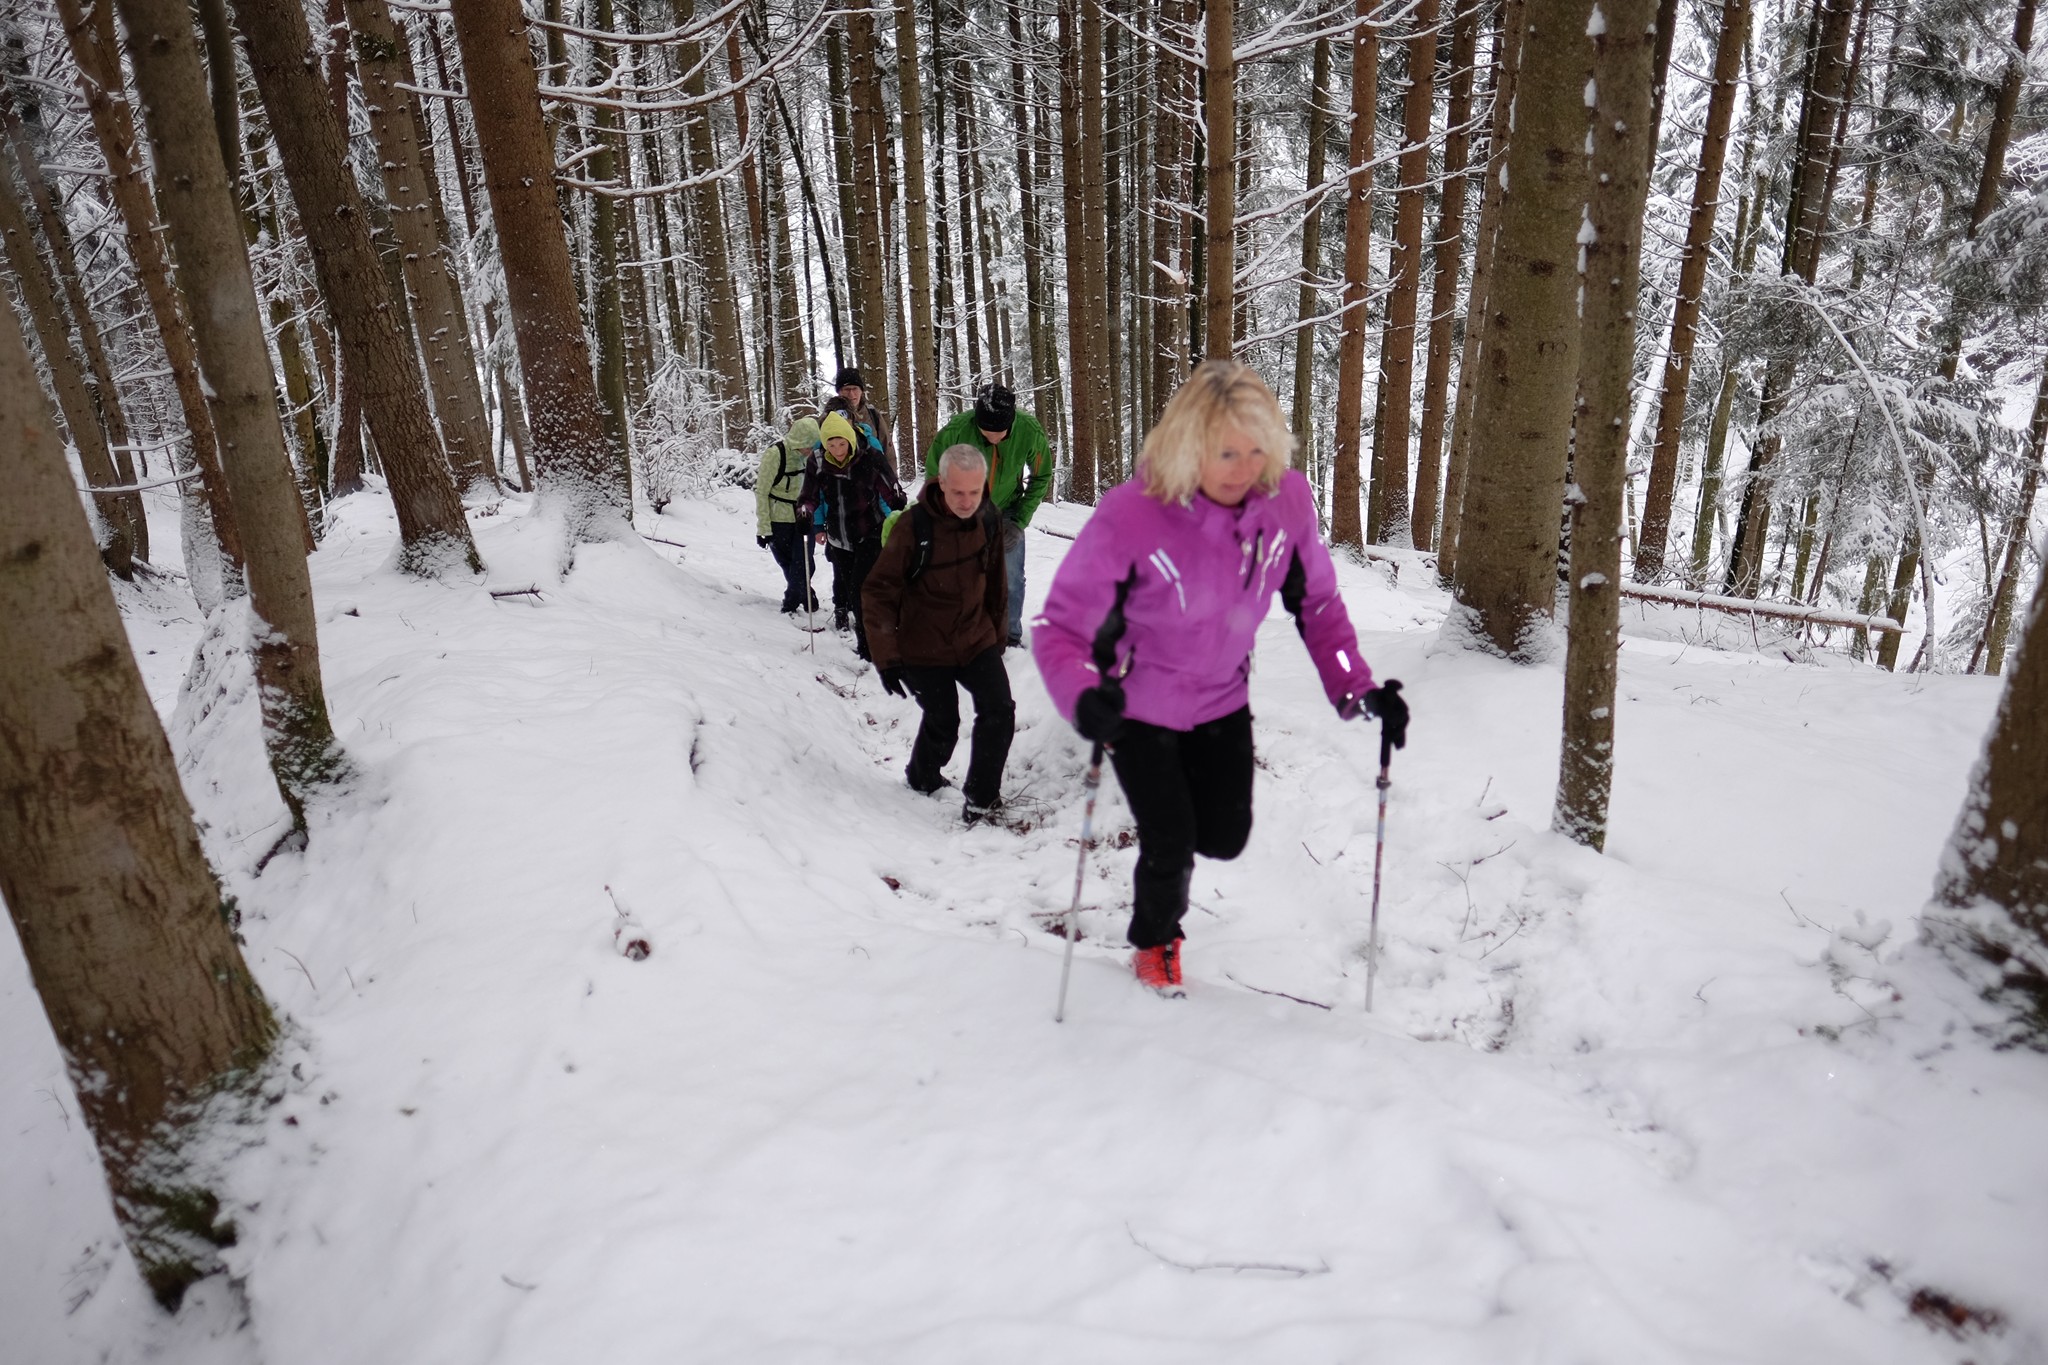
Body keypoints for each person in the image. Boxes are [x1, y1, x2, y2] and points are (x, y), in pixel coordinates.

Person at [1031, 360, 1409, 997]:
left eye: (1257, 451)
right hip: (1135, 705)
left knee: (1226, 838)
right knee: (1170, 838)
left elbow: (1317, 604)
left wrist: (1359, 688)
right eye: (1226, 453)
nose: (1244, 469)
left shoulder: (1286, 503)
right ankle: (1156, 939)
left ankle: (1172, 883)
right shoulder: (1133, 515)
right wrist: (1083, 694)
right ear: (1188, 445)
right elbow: (1060, 626)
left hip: (1222, 697)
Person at [863, 445, 1015, 824]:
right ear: (942, 483)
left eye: (974, 491)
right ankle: (922, 775)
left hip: (975, 637)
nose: (967, 501)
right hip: (923, 645)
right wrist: (886, 657)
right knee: (944, 721)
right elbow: (879, 591)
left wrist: (997, 639)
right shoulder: (914, 527)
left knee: (999, 710)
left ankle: (982, 799)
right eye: (958, 492)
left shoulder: (989, 519)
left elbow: (997, 583)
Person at [923, 382, 1051, 649]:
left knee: (1010, 577)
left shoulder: (1029, 431)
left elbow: (1041, 476)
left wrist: (1019, 521)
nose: (993, 439)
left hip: (1007, 511)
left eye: (1000, 434)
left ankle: (1009, 635)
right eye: (986, 433)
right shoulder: (956, 432)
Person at [797, 411, 904, 660]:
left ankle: (873, 647)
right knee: (855, 593)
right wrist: (805, 513)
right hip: (840, 536)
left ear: (850, 439)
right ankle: (869, 643)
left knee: (861, 590)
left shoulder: (869, 457)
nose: (837, 450)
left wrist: (898, 502)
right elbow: (809, 496)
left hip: (871, 530)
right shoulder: (817, 461)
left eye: (841, 443)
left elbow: (890, 486)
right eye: (831, 444)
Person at [755, 415, 822, 616]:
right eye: (807, 446)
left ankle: (790, 602)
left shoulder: (813, 457)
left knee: (805, 562)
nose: (810, 451)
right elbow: (762, 492)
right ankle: (806, 593)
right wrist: (764, 528)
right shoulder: (775, 455)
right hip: (779, 518)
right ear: (799, 441)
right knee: (788, 562)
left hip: (804, 516)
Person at [823, 366, 892, 470]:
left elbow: (888, 450)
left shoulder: (873, 415)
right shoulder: (827, 418)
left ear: (861, 391)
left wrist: (891, 477)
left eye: (855, 388)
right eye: (847, 389)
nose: (851, 394)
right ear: (839, 392)